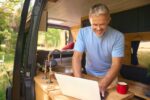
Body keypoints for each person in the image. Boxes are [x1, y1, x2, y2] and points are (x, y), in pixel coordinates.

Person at [72, 3, 124, 97]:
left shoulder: (118, 36)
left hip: (110, 77)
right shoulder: (82, 33)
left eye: (102, 24)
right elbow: (77, 57)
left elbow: (117, 63)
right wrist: (79, 82)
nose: (98, 28)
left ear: (108, 20)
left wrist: (103, 83)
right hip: (89, 74)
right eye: (94, 25)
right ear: (89, 20)